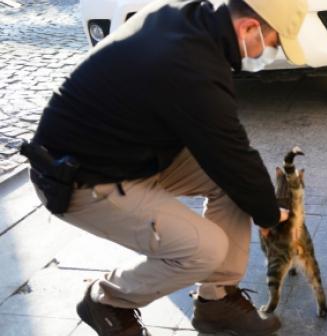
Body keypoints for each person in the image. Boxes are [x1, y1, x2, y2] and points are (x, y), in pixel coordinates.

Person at [23, 0, 307, 334]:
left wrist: (261, 204)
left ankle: (216, 303)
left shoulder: (190, 22)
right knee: (206, 248)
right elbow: (232, 153)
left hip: (129, 152)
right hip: (77, 178)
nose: (272, 53)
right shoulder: (190, 66)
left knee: (237, 187)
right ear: (249, 28)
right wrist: (272, 216)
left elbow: (230, 159)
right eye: (274, 44)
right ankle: (105, 300)